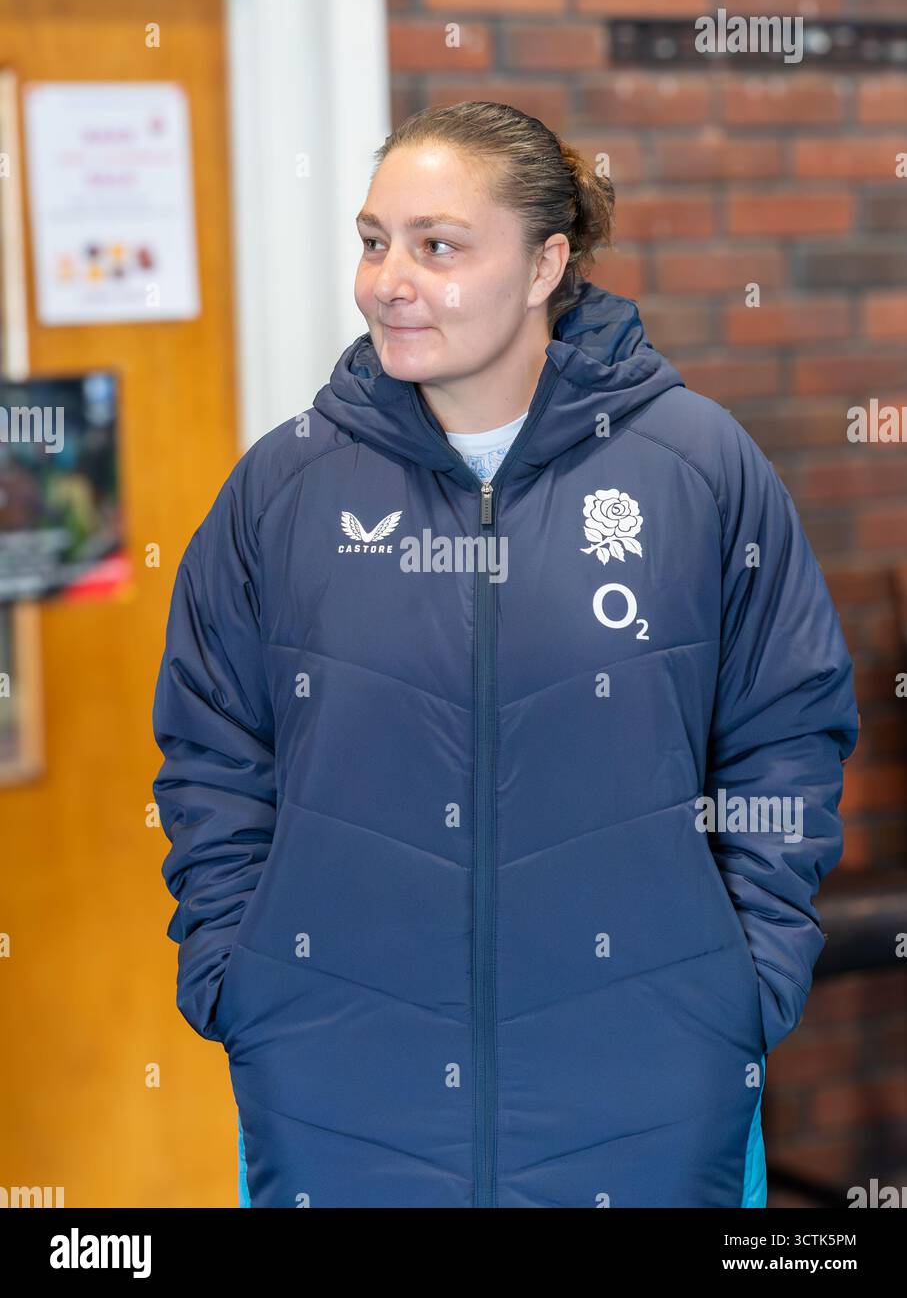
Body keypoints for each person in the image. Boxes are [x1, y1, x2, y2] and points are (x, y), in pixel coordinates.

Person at [152, 101, 860, 1209]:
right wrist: (242, 977)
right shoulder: (283, 489)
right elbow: (211, 747)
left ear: (545, 263)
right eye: (374, 239)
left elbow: (784, 734)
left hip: (647, 1087)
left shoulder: (697, 468)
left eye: (438, 246)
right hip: (340, 1090)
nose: (389, 279)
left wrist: (741, 978)